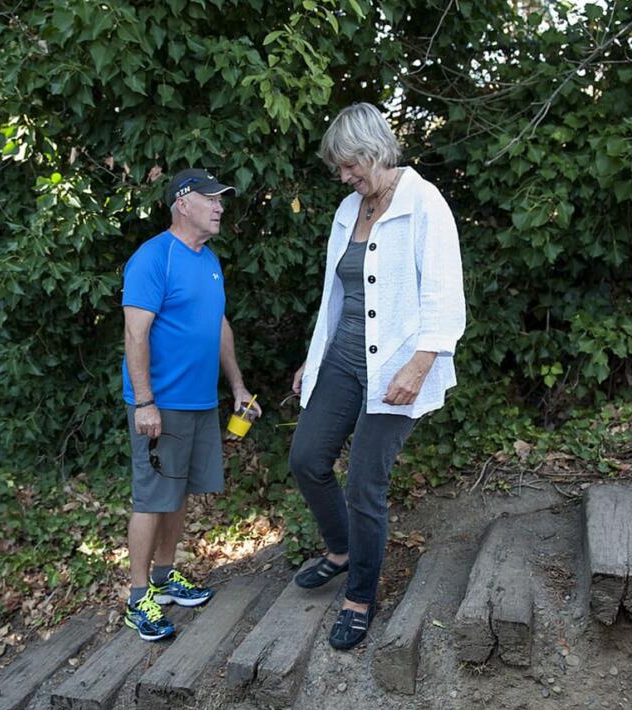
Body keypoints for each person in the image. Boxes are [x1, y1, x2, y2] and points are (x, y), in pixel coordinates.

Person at [290, 103, 466, 649]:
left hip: (396, 367)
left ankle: (359, 596)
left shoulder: (423, 203)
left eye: (349, 166)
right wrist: (312, 359)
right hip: (343, 359)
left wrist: (420, 366)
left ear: (373, 151)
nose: (344, 178)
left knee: (366, 482)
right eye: (339, 170)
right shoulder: (349, 209)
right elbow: (335, 296)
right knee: (306, 459)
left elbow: (444, 292)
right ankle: (341, 551)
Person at [121, 168, 261, 641]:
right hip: (161, 404)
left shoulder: (209, 260)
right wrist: (145, 403)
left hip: (200, 402)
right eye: (212, 199)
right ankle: (138, 597)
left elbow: (218, 325)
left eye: (222, 200)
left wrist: (237, 387)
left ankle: (164, 577)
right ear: (184, 203)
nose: (221, 206)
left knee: (178, 495)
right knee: (152, 497)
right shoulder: (152, 258)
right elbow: (135, 332)